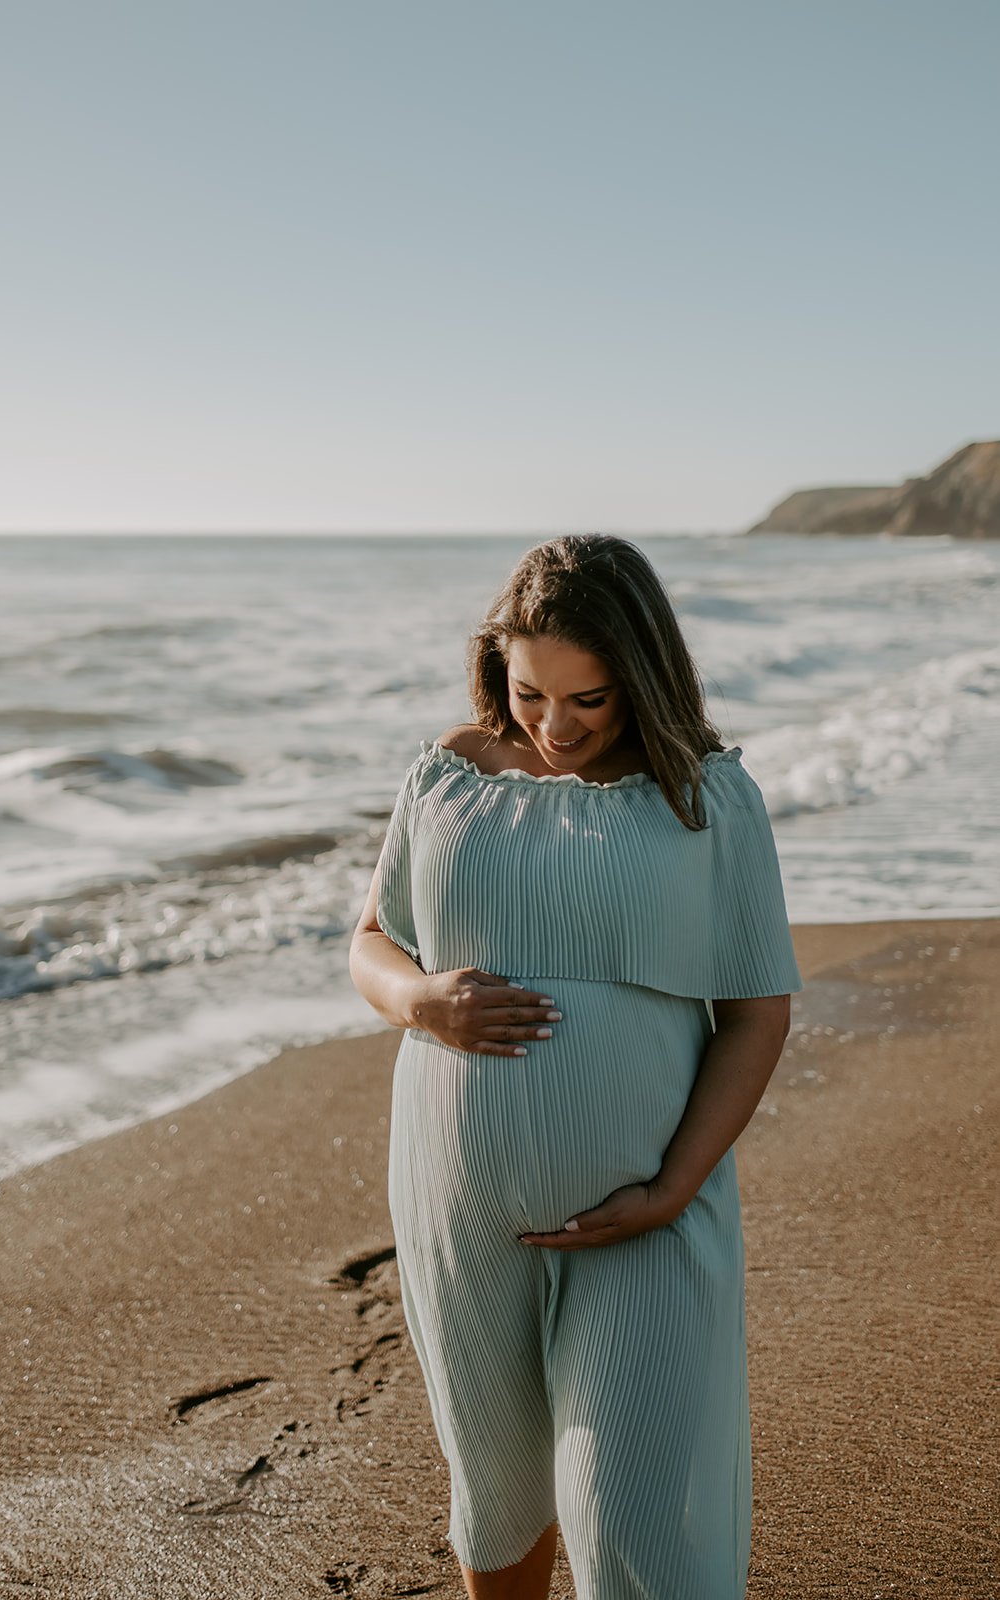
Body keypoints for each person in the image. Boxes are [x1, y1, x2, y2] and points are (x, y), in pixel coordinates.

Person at [348, 534, 803, 1600]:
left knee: (634, 1511)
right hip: (457, 1203)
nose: (553, 727)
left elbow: (754, 1014)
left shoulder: (705, 798)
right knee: (496, 1490)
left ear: (641, 675)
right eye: (529, 692)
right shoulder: (448, 771)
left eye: (588, 699)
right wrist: (419, 999)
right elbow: (371, 940)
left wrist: (671, 1189)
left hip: (644, 1210)